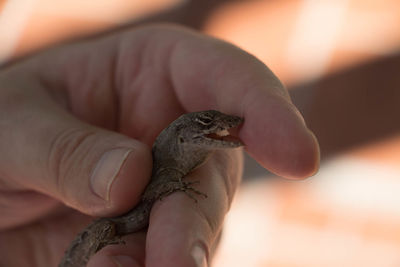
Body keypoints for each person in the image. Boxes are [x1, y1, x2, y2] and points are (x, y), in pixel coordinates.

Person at [0, 24, 319, 267]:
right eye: (207, 123)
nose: (220, 126)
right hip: (110, 226)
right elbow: (153, 192)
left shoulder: (171, 166)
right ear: (182, 137)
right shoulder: (158, 172)